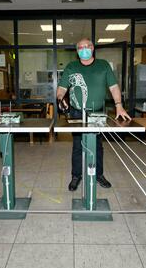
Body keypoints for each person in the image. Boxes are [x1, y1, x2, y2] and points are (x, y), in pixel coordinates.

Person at [56, 38, 132, 191]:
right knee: (78, 145)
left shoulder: (103, 65)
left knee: (97, 145)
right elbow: (62, 88)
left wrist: (119, 105)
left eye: (87, 46)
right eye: (80, 47)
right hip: (76, 112)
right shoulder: (71, 66)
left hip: (97, 112)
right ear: (77, 51)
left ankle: (98, 175)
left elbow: (114, 87)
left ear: (93, 48)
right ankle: (76, 176)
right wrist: (60, 98)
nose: (84, 49)